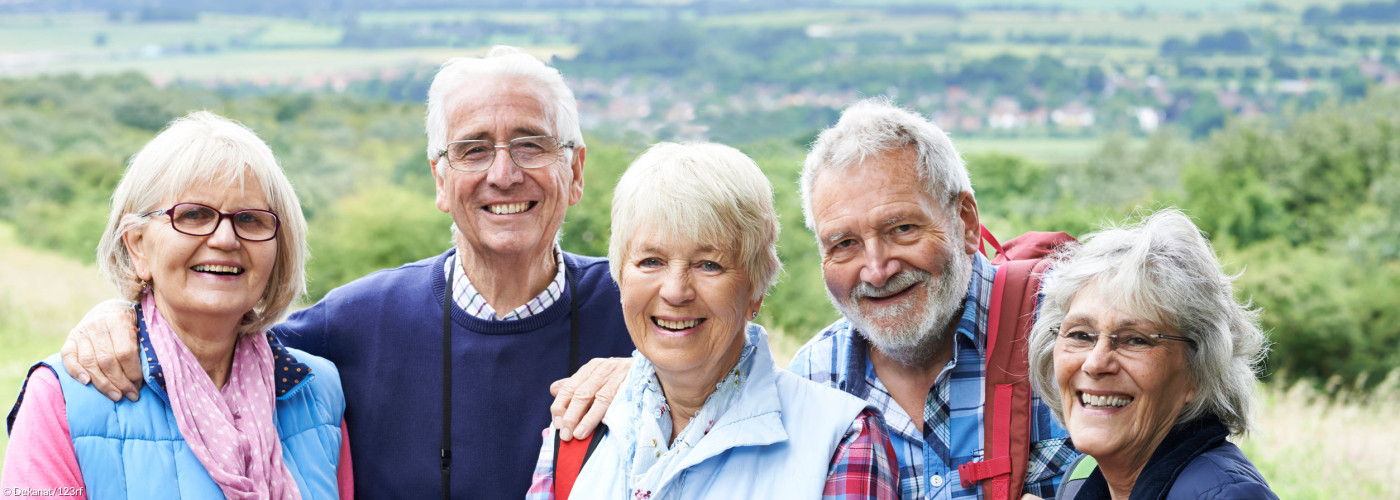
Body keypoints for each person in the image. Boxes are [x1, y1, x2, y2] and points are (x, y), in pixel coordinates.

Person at [54, 47, 636, 499]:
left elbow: (726, 363)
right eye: (474, 149)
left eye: (531, 145)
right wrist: (124, 314)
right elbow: (214, 337)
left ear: (576, 170)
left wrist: (650, 377)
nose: (503, 174)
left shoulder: (645, 314)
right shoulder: (357, 321)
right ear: (440, 178)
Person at [1, 111, 351, 498]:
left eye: (250, 219)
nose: (225, 239)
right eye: (194, 215)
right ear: (137, 246)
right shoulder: (63, 396)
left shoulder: (319, 392)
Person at [525, 142, 898, 499]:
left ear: (756, 289)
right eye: (650, 261)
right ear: (621, 278)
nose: (675, 291)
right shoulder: (576, 431)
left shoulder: (842, 440)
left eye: (709, 264)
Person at [788, 97, 1077, 499]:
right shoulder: (813, 380)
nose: (876, 269)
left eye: (901, 228)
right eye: (845, 243)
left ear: (966, 223)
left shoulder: (1068, 332)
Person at [1024, 209, 1276, 499]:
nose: (1095, 363)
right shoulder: (1082, 480)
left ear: (1198, 368)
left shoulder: (1227, 495)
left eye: (1136, 340)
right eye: (1080, 335)